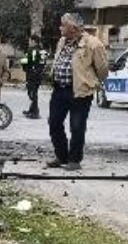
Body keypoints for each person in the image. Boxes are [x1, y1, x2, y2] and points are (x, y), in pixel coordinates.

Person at [47, 13, 109, 171]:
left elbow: (102, 69)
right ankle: (61, 156)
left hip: (80, 91)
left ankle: (74, 160)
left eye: (63, 25)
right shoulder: (62, 41)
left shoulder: (93, 44)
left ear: (73, 28)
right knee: (54, 123)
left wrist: (91, 83)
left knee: (77, 126)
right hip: (60, 88)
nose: (60, 27)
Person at [20, 33, 49, 119]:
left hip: (31, 74)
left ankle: (35, 112)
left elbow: (24, 61)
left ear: (33, 41)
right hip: (39, 75)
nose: (29, 42)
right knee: (34, 92)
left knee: (31, 93)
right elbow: (44, 63)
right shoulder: (43, 51)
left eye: (30, 41)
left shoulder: (31, 50)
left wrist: (26, 69)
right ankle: (31, 110)